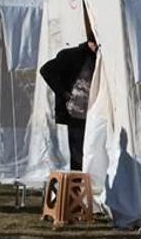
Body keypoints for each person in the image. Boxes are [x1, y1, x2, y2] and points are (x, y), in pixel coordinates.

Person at [40, 34, 98, 170]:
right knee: (78, 151)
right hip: (76, 111)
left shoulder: (97, 58)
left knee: (88, 149)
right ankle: (77, 184)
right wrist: (63, 92)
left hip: (90, 110)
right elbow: (46, 70)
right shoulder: (73, 55)